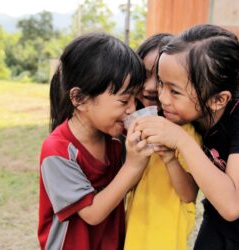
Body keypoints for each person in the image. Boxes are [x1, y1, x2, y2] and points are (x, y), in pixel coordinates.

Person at [135, 24, 239, 250]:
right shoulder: (192, 113)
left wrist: (180, 140)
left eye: (175, 91)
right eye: (162, 83)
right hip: (217, 218)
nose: (162, 97)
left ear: (218, 100)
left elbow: (232, 206)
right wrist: (170, 154)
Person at [38, 33, 153, 250]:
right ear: (80, 99)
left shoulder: (115, 140)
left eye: (134, 99)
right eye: (123, 100)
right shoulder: (58, 150)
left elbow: (126, 188)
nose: (132, 109)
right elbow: (92, 213)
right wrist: (133, 165)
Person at [124, 33, 201, 250]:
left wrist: (168, 156)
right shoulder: (129, 125)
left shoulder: (185, 131)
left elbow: (189, 194)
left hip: (164, 239)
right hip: (133, 233)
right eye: (145, 75)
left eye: (159, 79)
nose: (149, 86)